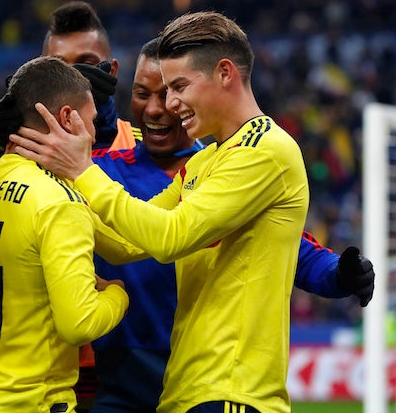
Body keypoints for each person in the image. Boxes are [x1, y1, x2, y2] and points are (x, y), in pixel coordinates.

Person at [11, 11, 336, 412]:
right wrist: (51, 204)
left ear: (224, 73)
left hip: (232, 390)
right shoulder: (205, 161)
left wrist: (83, 170)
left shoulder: (266, 151)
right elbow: (125, 244)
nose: (170, 103)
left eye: (179, 86)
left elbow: (170, 238)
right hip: (186, 389)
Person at [88, 38, 375, 412]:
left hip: (222, 384)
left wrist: (337, 272)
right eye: (143, 93)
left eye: (175, 89)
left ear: (220, 75)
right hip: (141, 379)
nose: (161, 107)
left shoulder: (245, 156)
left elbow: (286, 246)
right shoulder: (152, 165)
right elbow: (112, 240)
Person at [0, 56, 131, 413]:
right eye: (90, 121)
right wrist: (118, 295)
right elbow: (81, 322)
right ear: (66, 120)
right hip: (31, 400)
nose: (92, 134)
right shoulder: (59, 202)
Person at [0, 0, 140, 167]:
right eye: (59, 66)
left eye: (86, 64)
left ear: (112, 71)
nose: (70, 78)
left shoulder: (141, 148)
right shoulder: (22, 148)